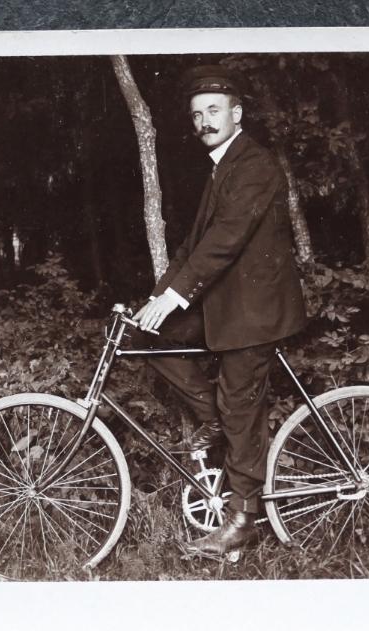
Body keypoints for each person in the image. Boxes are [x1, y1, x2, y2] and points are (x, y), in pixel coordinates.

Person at [134, 64, 307, 555]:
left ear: (237, 113)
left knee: (240, 407)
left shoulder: (254, 165)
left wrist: (175, 296)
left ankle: (244, 517)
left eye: (214, 111)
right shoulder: (221, 167)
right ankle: (214, 420)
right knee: (147, 337)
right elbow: (194, 247)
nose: (204, 121)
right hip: (224, 300)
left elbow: (227, 239)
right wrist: (157, 300)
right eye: (197, 115)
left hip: (254, 310)